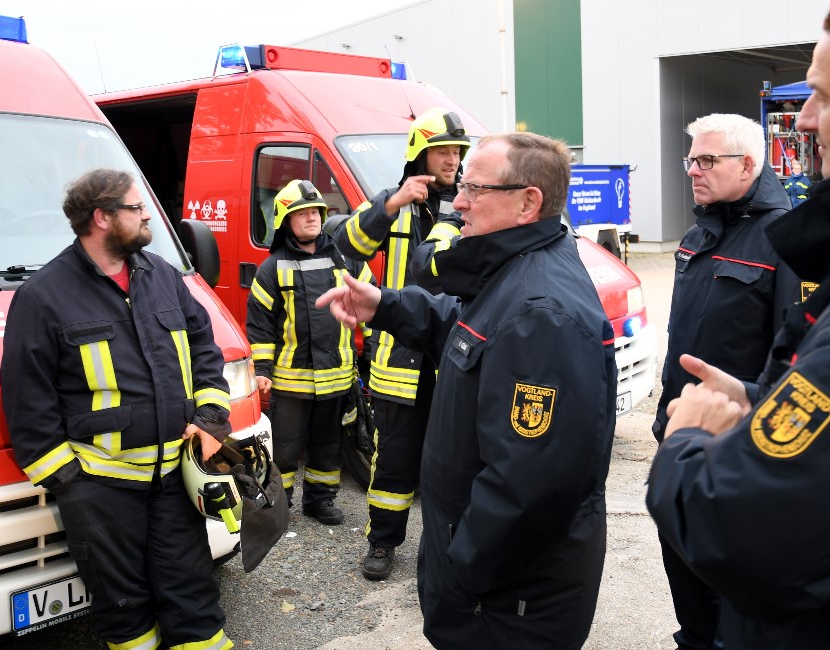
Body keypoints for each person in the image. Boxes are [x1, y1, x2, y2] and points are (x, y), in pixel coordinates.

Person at [646, 0, 830, 647]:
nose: (805, 118)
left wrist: (683, 442)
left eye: (821, 95)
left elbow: (741, 527)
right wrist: (764, 399)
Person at [319, 132, 617, 649]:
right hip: (488, 582)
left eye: (474, 189)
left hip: (505, 599)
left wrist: (461, 567)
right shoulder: (514, 274)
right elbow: (466, 328)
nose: (457, 202)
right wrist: (384, 304)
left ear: (529, 202)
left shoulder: (541, 313)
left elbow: (531, 487)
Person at [0, 169, 235, 650]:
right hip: (101, 493)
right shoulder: (43, 297)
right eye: (135, 207)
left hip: (173, 480)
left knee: (194, 596)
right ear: (102, 217)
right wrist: (68, 481)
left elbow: (204, 348)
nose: (148, 214)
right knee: (124, 611)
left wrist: (211, 417)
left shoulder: (162, 275)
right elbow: (27, 398)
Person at [655, 113, 803, 650]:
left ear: (748, 164)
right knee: (686, 578)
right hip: (681, 435)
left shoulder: (789, 240)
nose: (693, 170)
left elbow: (798, 364)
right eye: (690, 159)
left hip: (741, 454)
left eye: (707, 160)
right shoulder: (699, 234)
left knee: (735, 600)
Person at [334, 106, 471, 580]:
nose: (452, 159)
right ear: (420, 154)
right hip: (399, 357)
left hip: (454, 352)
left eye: (457, 151)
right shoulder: (392, 204)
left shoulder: (469, 205)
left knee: (453, 462)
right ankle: (382, 543)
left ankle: (445, 550)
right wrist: (389, 205)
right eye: (442, 150)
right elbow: (346, 247)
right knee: (393, 460)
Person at [246, 179, 373, 525]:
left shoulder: (348, 260)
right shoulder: (271, 269)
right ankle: (281, 504)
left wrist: (373, 351)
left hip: (337, 377)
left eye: (315, 211)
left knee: (327, 445)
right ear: (286, 221)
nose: (312, 218)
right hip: (292, 381)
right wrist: (263, 369)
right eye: (302, 213)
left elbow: (372, 305)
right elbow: (260, 326)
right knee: (286, 448)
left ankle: (320, 501)